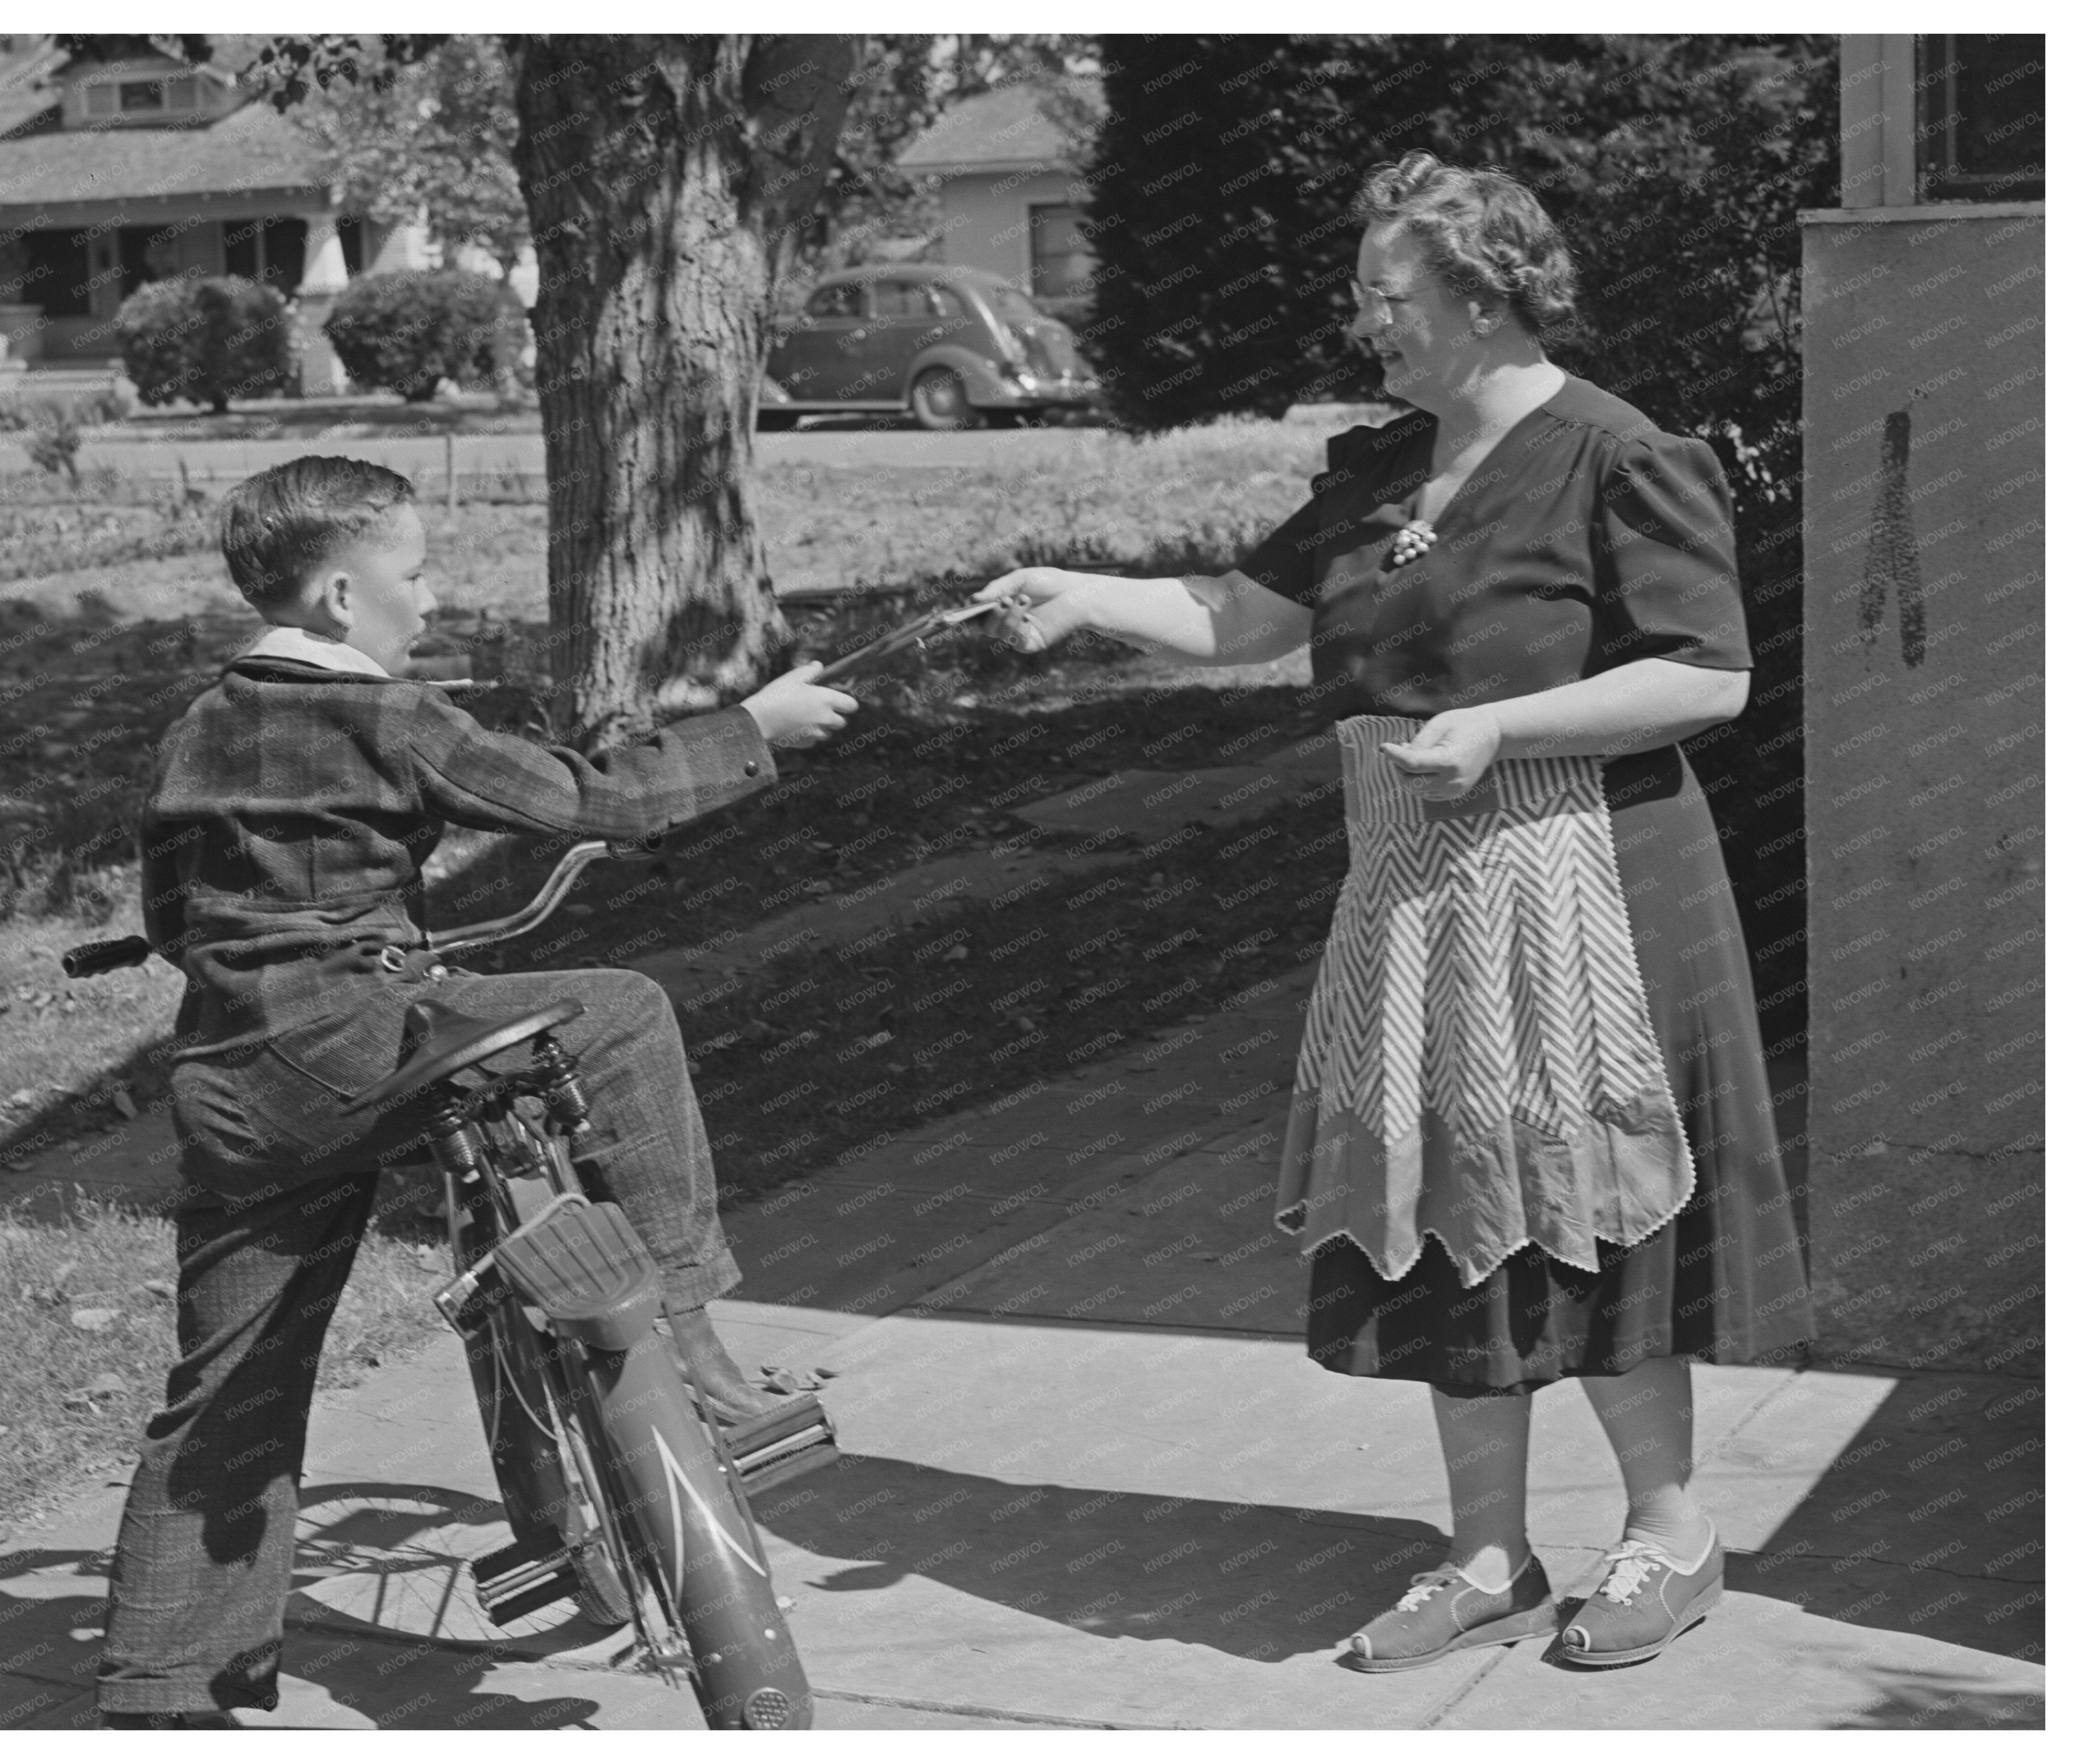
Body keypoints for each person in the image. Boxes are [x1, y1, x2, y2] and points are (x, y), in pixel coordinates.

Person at [980, 151, 1811, 1673]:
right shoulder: (1377, 468)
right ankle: (1486, 1553)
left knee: (1590, 1208)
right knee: (1443, 1210)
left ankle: (1671, 1532)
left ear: (1487, 297)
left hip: (1595, 892)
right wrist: (1084, 590)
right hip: (1420, 894)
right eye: (1365, 295)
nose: (1371, 323)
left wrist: (1511, 727)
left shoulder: (1614, 455)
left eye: (1394, 296)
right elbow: (1242, 619)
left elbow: (1709, 673)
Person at [95, 455, 857, 1725]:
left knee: (231, 1378)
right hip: (355, 1041)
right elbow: (579, 797)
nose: (432, 598)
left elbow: (172, 915)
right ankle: (696, 1344)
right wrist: (749, 734)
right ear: (344, 594)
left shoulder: (202, 723)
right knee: (621, 1009)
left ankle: (163, 1689)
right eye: (416, 570)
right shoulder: (394, 718)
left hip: (228, 1079)